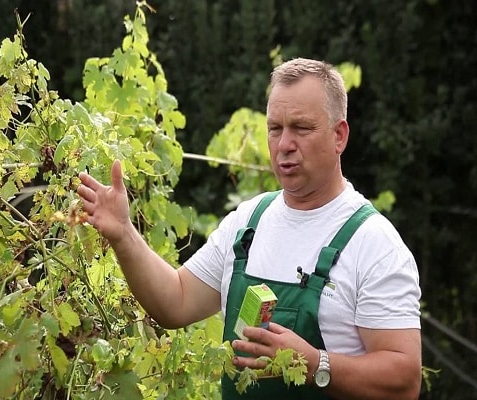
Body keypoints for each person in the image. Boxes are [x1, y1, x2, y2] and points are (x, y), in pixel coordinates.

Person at [77, 58, 422, 399]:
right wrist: (123, 233)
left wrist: (316, 364)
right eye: (275, 128)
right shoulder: (248, 223)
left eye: (301, 128)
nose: (285, 144)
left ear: (339, 136)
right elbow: (176, 302)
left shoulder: (373, 243)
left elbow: (404, 380)